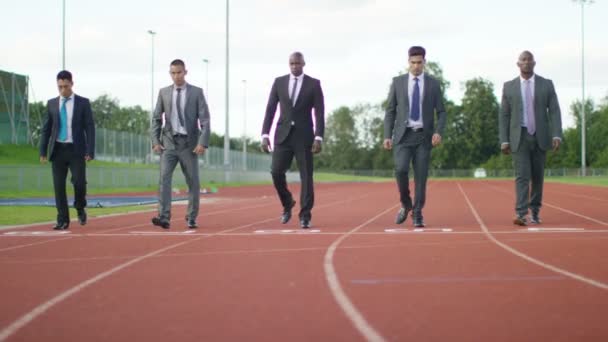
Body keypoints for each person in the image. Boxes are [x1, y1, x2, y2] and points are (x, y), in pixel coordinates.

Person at [384, 46, 447, 227]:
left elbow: (442, 112)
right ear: (408, 62)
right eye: (413, 63)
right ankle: (406, 203)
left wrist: (438, 132)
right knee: (401, 170)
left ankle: (418, 213)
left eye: (419, 63)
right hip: (403, 137)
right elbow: (390, 111)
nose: (416, 66)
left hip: (423, 137)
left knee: (421, 177)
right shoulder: (398, 82)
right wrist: (387, 135)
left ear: (424, 63)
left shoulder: (433, 84)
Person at [261, 52, 325, 229]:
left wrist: (319, 137)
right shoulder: (279, 82)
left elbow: (319, 112)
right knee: (276, 172)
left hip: (304, 136)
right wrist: (265, 134)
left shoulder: (313, 84)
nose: (295, 66)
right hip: (282, 135)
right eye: (292, 63)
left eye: (298, 63)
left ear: (304, 63)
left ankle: (305, 215)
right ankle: (287, 202)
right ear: (288, 64)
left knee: (306, 177)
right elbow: (270, 110)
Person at [499, 50, 563, 226]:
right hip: (519, 137)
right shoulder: (509, 86)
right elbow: (504, 115)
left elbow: (555, 110)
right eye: (523, 60)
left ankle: (535, 211)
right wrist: (504, 140)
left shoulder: (546, 85)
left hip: (541, 136)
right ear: (518, 64)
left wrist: (557, 134)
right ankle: (521, 213)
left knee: (537, 176)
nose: (526, 62)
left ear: (534, 63)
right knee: (522, 176)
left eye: (529, 60)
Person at [150, 59, 210, 229]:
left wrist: (202, 143)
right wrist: (155, 141)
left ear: (185, 72)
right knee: (164, 179)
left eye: (179, 72)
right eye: (173, 73)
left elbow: (205, 120)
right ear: (170, 74)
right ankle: (164, 217)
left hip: (189, 144)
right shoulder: (164, 92)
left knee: (193, 181)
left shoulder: (196, 93)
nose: (176, 76)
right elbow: (156, 118)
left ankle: (191, 217)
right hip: (169, 143)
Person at [39, 70, 95, 230]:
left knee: (79, 183)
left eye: (65, 86)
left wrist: (90, 150)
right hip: (57, 150)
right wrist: (43, 151)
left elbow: (89, 128)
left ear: (72, 84)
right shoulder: (51, 104)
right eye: (60, 87)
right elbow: (46, 129)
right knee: (58, 186)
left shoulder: (83, 103)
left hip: (76, 150)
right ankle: (62, 220)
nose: (63, 90)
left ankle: (79, 207)